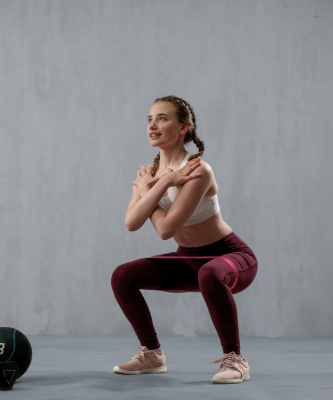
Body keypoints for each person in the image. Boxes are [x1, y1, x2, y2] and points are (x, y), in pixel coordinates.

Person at [111, 95, 258, 384]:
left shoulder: (197, 170)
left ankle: (235, 359)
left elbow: (165, 229)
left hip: (230, 258)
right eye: (150, 120)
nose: (152, 126)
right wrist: (162, 182)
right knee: (122, 276)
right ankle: (152, 355)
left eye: (162, 119)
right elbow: (131, 223)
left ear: (183, 128)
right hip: (190, 259)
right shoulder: (149, 174)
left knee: (211, 272)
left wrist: (150, 192)